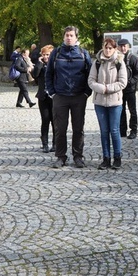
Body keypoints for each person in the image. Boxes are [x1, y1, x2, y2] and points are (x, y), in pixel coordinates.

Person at [45, 26, 93, 169]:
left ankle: (78, 156)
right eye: (67, 35)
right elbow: (49, 74)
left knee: (78, 129)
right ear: (63, 37)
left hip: (79, 96)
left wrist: (86, 93)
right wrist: (52, 92)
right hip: (60, 96)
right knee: (60, 129)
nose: (69, 37)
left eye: (71, 35)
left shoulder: (83, 53)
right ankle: (61, 157)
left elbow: (90, 74)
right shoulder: (56, 53)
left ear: (76, 37)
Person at [88, 38, 128, 170]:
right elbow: (91, 80)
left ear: (115, 49)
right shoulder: (97, 62)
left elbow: (122, 82)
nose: (108, 50)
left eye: (111, 48)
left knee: (115, 130)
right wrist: (101, 89)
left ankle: (117, 157)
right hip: (99, 102)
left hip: (115, 102)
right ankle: (106, 158)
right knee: (104, 131)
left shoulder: (119, 62)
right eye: (106, 47)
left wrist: (108, 88)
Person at [117, 39, 138, 139]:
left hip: (130, 89)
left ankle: (133, 130)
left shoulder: (133, 58)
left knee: (132, 110)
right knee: (120, 110)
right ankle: (122, 130)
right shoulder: (116, 58)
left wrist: (130, 82)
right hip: (119, 89)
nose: (123, 48)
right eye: (121, 46)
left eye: (125, 46)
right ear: (118, 47)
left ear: (128, 47)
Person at [34, 45, 54, 153]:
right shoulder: (40, 65)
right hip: (43, 97)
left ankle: (55, 144)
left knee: (55, 121)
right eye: (44, 54)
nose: (45, 57)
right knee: (45, 120)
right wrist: (39, 63)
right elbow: (35, 75)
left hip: (54, 97)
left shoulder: (54, 65)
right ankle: (45, 143)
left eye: (47, 55)